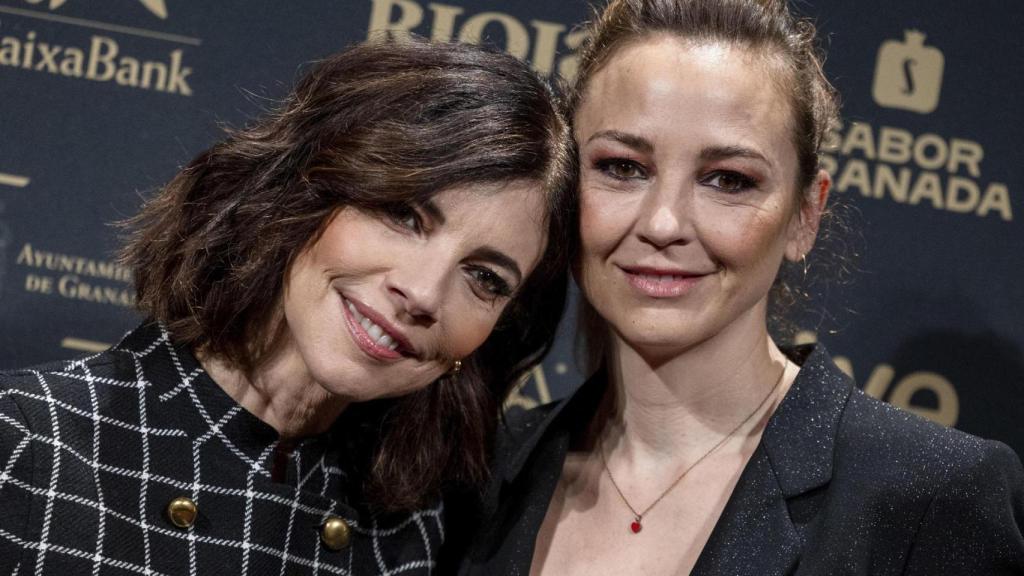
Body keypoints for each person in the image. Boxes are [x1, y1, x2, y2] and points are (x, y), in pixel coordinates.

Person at [454, 1, 1024, 575]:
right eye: (623, 167)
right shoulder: (481, 473)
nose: (663, 224)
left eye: (728, 180)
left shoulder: (926, 497)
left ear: (805, 215)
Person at [0, 39, 573, 575]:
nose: (423, 294)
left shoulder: (432, 530)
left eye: (484, 278)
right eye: (403, 215)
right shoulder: (27, 441)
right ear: (299, 192)